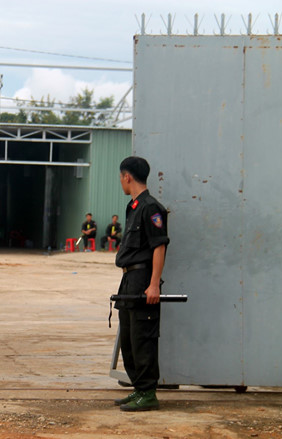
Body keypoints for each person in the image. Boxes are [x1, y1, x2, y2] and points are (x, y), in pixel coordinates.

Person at [113, 156, 169, 412]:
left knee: (143, 337)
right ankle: (138, 388)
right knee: (129, 337)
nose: (121, 182)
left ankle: (148, 393)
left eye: (121, 177)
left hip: (143, 279)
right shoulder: (133, 206)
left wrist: (154, 284)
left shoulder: (151, 208)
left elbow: (159, 246)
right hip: (129, 279)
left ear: (127, 177)